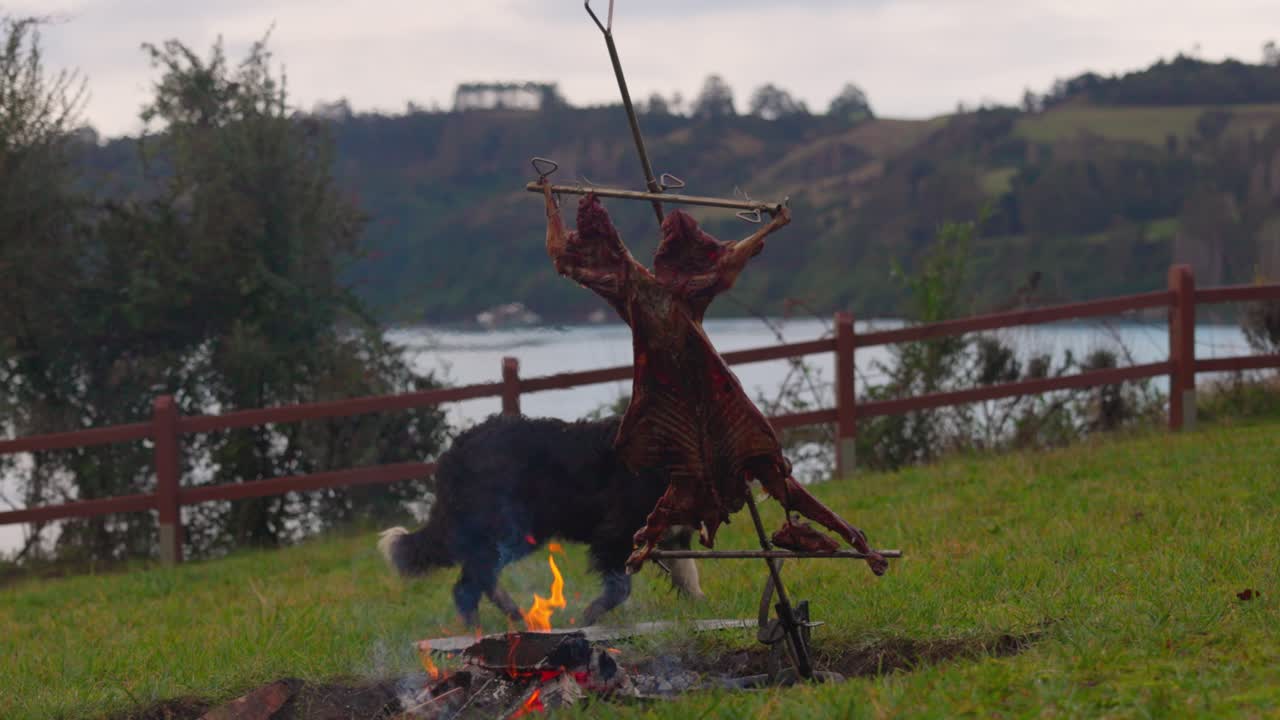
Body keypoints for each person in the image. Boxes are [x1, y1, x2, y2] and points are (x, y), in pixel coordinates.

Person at [539, 180, 887, 576]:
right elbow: (563, 255)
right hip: (678, 404)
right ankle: (647, 542)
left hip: (709, 402)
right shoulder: (635, 285)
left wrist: (770, 228)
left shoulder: (674, 288)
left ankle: (859, 543)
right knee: (701, 474)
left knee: (766, 476)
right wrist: (552, 203)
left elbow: (730, 259)